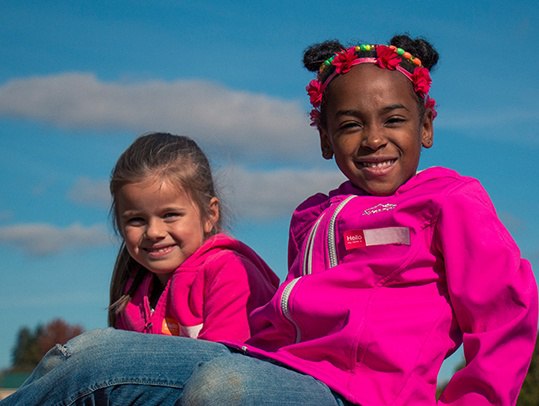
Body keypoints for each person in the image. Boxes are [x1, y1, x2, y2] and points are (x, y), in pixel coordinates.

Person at [2, 34, 537, 406]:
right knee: (92, 355)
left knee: (226, 389)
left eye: (394, 120)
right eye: (350, 125)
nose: (374, 138)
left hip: (361, 393)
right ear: (325, 138)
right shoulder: (311, 214)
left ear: (426, 127)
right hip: (273, 366)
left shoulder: (450, 200)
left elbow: (506, 313)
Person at [107, 132, 279, 341]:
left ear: (210, 214)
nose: (153, 232)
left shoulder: (229, 273)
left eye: (170, 215)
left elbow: (224, 365)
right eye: (136, 220)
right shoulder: (131, 293)